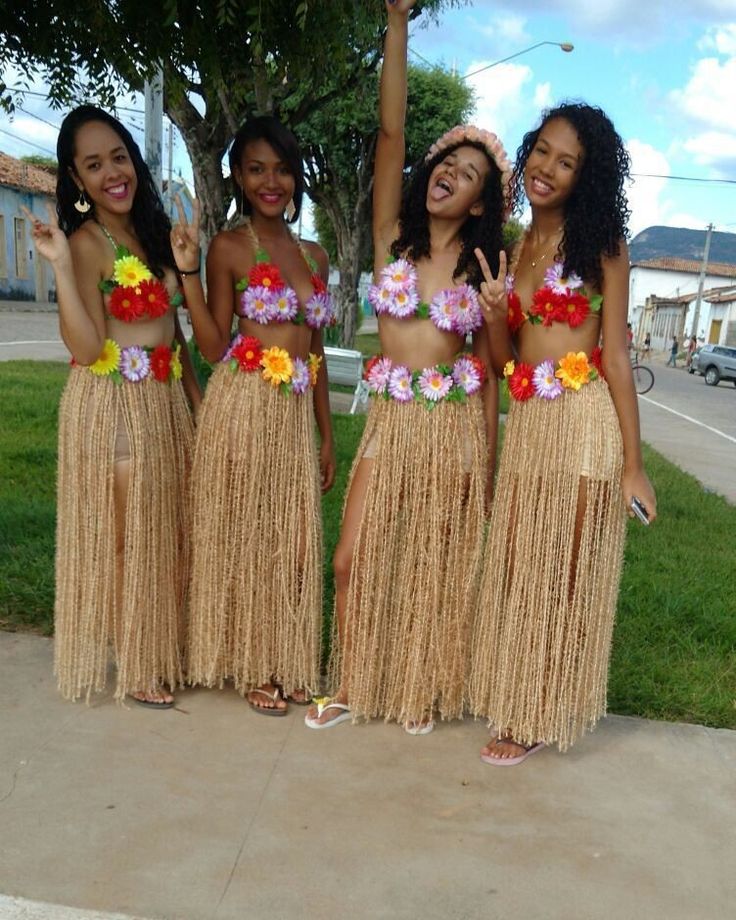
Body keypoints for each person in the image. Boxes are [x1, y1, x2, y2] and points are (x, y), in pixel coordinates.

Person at [305, 0, 509, 733]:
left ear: (484, 199)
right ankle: (355, 679)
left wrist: (486, 466)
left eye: (467, 173)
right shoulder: (394, 237)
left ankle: (418, 685)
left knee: (428, 567)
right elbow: (391, 134)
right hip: (391, 421)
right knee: (352, 561)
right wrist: (396, 22)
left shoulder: (484, 265)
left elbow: (488, 373)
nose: (448, 175)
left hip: (450, 428)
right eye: (445, 164)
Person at [469, 102, 657, 763]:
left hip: (584, 420)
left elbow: (613, 358)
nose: (548, 167)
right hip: (530, 423)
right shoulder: (515, 246)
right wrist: (495, 314)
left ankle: (537, 711)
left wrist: (633, 464)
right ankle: (521, 699)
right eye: (542, 151)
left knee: (564, 573)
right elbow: (505, 362)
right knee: (523, 563)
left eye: (566, 160)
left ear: (587, 176)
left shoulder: (604, 247)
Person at [26, 105, 201, 706]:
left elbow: (172, 333)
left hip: (162, 404)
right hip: (113, 409)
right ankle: (135, 661)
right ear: (76, 179)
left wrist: (196, 401)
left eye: (119, 157)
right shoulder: (84, 242)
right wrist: (59, 270)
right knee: (129, 536)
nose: (112, 174)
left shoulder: (148, 233)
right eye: (94, 165)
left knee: (165, 530)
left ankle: (157, 642)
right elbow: (84, 345)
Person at [185, 115, 335, 714]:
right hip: (245, 405)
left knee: (295, 541)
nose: (271, 180)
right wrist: (189, 275)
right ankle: (254, 662)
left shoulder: (316, 254)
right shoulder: (229, 246)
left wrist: (327, 435)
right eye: (256, 169)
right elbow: (216, 345)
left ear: (296, 176)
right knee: (254, 537)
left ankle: (289, 658)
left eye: (281, 168)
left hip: (295, 411)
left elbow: (317, 351)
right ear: (239, 179)